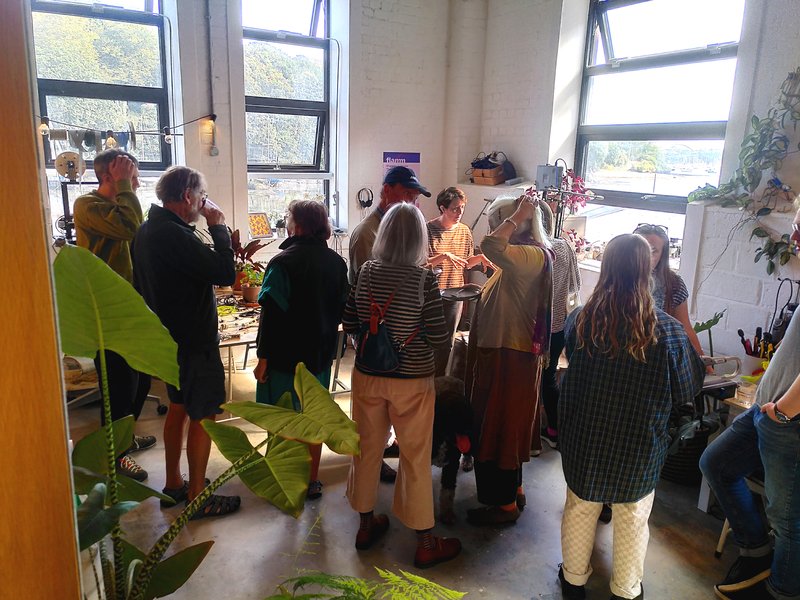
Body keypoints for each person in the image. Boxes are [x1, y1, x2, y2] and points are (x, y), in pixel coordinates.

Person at [557, 233, 705, 600]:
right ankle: (625, 590)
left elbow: (572, 361)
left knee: (580, 506)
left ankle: (573, 581)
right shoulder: (667, 331)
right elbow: (687, 389)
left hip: (585, 435)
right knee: (633, 514)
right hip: (639, 441)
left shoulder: (580, 320)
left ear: (606, 268)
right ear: (645, 272)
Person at [342, 203, 461, 569]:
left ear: (385, 234)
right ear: (418, 239)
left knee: (366, 449)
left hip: (367, 375)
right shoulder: (424, 280)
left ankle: (365, 527)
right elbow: (439, 338)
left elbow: (349, 322)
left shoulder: (365, 271)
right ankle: (425, 542)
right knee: (414, 456)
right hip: (412, 382)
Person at [698, 207, 800, 600]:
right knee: (717, 463)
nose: (794, 238)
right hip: (770, 409)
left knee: (787, 519)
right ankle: (757, 552)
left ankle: (780, 590)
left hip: (787, 421)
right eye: (795, 226)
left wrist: (783, 412)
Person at [132, 166, 240, 520]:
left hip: (168, 339)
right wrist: (219, 226)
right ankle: (197, 496)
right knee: (204, 414)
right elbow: (225, 273)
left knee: (178, 407)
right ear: (187, 196)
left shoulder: (147, 230)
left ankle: (174, 483)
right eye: (202, 197)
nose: (203, 204)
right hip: (194, 341)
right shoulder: (175, 235)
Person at [465, 193, 553, 526]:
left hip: (509, 357)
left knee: (499, 426)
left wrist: (517, 214)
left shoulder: (530, 255)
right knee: (506, 425)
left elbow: (491, 244)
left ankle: (503, 506)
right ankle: (513, 491)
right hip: (507, 353)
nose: (495, 229)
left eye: (500, 222)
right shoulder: (525, 255)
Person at [253, 200, 348, 500]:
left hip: (284, 358)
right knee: (314, 418)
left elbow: (271, 315)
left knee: (282, 419)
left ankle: (284, 478)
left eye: (288, 218)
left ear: (299, 226)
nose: (286, 223)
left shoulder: (282, 263)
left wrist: (262, 357)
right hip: (319, 356)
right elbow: (342, 309)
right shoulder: (336, 263)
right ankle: (312, 479)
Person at [73, 148, 154, 481]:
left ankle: (125, 437)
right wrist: (124, 186)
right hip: (106, 314)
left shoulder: (122, 204)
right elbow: (129, 227)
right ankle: (117, 455)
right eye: (130, 175)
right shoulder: (87, 205)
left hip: (130, 310)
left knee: (141, 380)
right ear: (109, 176)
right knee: (118, 386)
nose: (135, 182)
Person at [348, 165, 432, 482]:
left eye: (415, 196)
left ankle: (384, 452)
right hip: (379, 342)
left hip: (399, 346)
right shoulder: (366, 234)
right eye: (406, 193)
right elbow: (364, 294)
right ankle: (376, 460)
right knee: (372, 424)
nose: (412, 201)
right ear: (386, 191)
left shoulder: (405, 230)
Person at [426, 186, 491, 376]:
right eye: (455, 208)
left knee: (447, 343)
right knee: (429, 341)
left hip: (455, 295)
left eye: (462, 207)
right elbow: (421, 264)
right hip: (431, 295)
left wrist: (479, 258)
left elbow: (465, 263)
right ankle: (423, 380)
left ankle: (438, 381)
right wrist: (443, 256)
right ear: (442, 208)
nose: (459, 212)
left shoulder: (464, 231)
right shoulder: (427, 229)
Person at [538, 205, 580, 452]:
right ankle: (553, 429)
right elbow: (575, 284)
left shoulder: (531, 251)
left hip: (533, 328)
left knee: (528, 379)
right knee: (549, 376)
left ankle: (529, 430)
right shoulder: (564, 246)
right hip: (558, 326)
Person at [633, 224, 704, 356]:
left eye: (653, 251)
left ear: (662, 255)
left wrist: (702, 360)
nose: (646, 256)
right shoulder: (617, 278)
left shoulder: (673, 283)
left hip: (658, 354)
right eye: (642, 250)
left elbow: (685, 328)